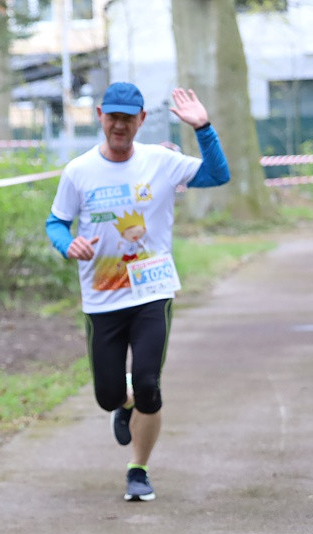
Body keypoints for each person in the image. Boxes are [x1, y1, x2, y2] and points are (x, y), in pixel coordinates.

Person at [45, 82, 230, 502]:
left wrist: (203, 127)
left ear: (141, 120)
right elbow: (56, 222)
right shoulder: (78, 171)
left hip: (152, 292)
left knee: (148, 384)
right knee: (108, 394)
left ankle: (138, 469)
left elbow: (218, 174)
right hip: (102, 298)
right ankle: (121, 403)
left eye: (128, 118)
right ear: (99, 116)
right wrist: (66, 243)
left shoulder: (160, 162)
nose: (120, 125)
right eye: (113, 116)